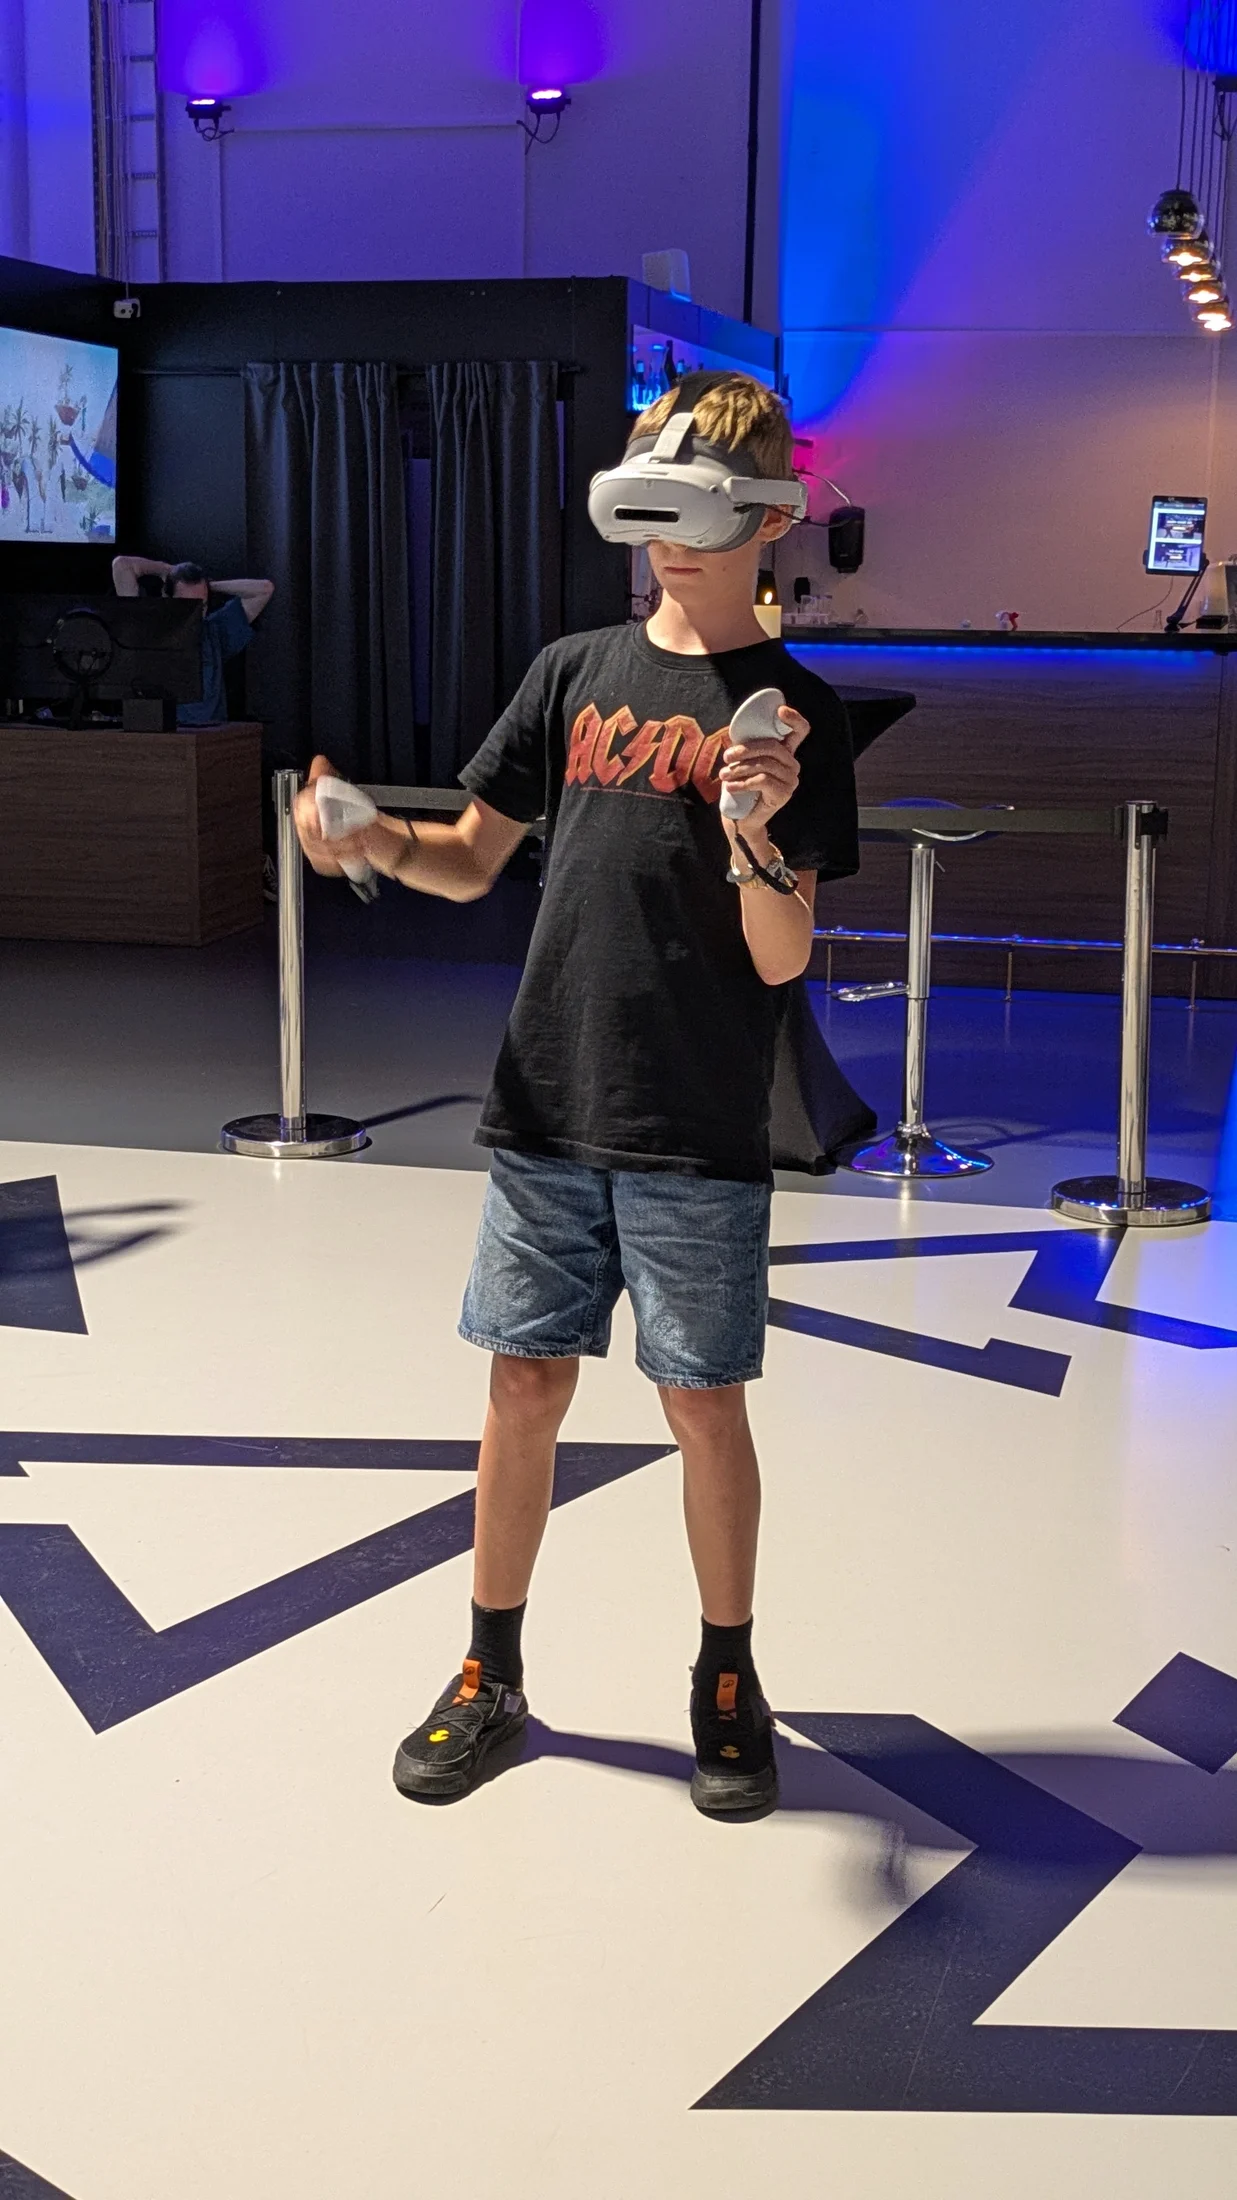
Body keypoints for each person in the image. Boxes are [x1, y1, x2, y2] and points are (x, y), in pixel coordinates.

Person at [293, 373, 859, 1816]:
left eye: (696, 508)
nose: (667, 539)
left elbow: (782, 954)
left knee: (701, 1403)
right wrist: (369, 837)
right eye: (646, 504)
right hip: (548, 1097)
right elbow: (471, 857)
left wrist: (753, 830)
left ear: (768, 519)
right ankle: (489, 1669)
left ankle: (725, 1678)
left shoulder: (797, 716)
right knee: (521, 1384)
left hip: (695, 1118)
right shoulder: (573, 672)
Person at [111, 555, 274, 727]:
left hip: (212, 732)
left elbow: (264, 589)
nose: (195, 614)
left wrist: (210, 585)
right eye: (187, 605)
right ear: (168, 598)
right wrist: (167, 570)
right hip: (167, 731)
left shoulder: (214, 630)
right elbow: (122, 565)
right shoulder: (148, 629)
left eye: (201, 606)